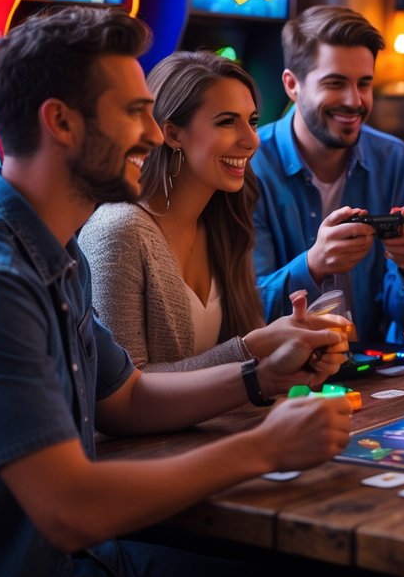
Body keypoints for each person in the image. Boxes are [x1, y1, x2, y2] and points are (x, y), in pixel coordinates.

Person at [0, 7, 352, 577]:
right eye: (134, 112)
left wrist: (262, 374)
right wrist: (263, 449)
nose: (151, 132)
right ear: (62, 123)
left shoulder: (56, 248)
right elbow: (70, 510)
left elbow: (126, 398)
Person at [81, 51, 347, 371]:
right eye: (226, 122)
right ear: (173, 133)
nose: (251, 140)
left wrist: (296, 357)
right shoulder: (118, 232)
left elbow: (244, 370)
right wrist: (251, 349)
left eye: (252, 122)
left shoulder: (225, 220)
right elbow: (121, 393)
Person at [252, 5, 404, 344]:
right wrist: (314, 265)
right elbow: (247, 312)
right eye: (336, 83)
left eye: (364, 84)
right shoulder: (251, 164)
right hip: (279, 379)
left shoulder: (398, 162)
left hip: (375, 376)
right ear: (293, 85)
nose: (354, 101)